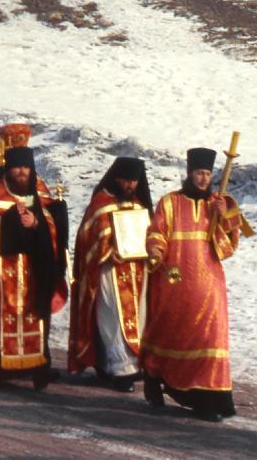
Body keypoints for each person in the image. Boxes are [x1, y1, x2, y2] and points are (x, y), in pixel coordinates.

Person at [141, 147, 247, 420]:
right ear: (190, 173)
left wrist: (225, 216)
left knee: (211, 337)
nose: (203, 179)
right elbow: (157, 232)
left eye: (208, 174)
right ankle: (155, 377)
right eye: (199, 173)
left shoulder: (217, 203)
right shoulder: (170, 202)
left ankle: (207, 400)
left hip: (209, 284)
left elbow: (228, 246)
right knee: (171, 332)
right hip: (175, 279)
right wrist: (155, 250)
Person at [0, 144, 69, 388]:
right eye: (17, 167)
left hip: (33, 271)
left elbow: (50, 228)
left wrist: (37, 223)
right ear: (8, 169)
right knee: (1, 317)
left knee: (34, 316)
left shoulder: (38, 194)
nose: (22, 172)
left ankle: (36, 366)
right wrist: (12, 219)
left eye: (26, 168)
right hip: (3, 270)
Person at [69, 156, 153, 390]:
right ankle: (119, 369)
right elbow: (88, 237)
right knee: (113, 317)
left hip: (138, 270)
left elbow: (149, 232)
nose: (130, 186)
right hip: (109, 270)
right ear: (116, 178)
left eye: (134, 182)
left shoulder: (139, 204)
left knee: (138, 315)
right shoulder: (101, 202)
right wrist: (106, 252)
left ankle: (132, 365)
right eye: (126, 181)